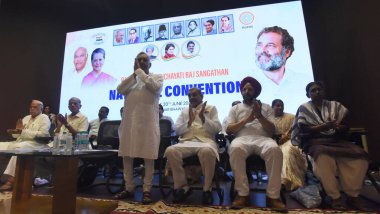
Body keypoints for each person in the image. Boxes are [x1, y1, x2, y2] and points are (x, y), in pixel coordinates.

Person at [291, 82, 371, 211]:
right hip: (316, 142)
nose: (317, 92)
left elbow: (346, 126)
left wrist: (339, 128)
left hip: (337, 141)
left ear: (324, 91)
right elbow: (304, 131)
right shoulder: (304, 108)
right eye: (313, 90)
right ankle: (335, 197)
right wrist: (323, 127)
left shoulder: (335, 106)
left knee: (360, 157)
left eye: (319, 89)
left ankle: (353, 196)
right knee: (323, 157)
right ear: (308, 94)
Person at [226, 77, 285, 209]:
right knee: (235, 148)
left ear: (256, 92)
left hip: (264, 139)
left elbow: (272, 129)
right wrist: (247, 119)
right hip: (242, 139)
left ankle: (273, 196)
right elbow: (229, 129)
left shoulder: (267, 107)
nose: (246, 91)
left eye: (250, 89)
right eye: (244, 89)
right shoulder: (235, 108)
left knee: (275, 150)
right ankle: (242, 194)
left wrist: (259, 116)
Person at [114, 52, 163, 204]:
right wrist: (134, 75)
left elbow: (155, 88)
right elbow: (120, 89)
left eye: (145, 60)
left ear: (150, 64)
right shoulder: (132, 80)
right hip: (130, 125)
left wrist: (140, 72)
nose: (142, 62)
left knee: (148, 157)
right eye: (139, 60)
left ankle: (147, 190)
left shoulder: (157, 77)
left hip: (148, 125)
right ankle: (129, 188)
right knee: (127, 156)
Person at [165, 87, 222, 205]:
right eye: (189, 95)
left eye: (194, 95)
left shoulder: (211, 108)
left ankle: (207, 189)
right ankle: (183, 187)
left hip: (206, 141)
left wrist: (203, 118)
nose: (192, 97)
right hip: (187, 142)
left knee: (207, 151)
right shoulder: (185, 111)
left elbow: (217, 129)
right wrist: (189, 122)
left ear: (201, 96)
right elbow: (177, 130)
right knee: (170, 150)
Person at [252, 26, 313, 113]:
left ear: (287, 52)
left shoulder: (305, 81)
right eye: (259, 45)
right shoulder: (246, 80)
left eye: (270, 45)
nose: (263, 50)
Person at [0, 100, 50, 191]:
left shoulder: (44, 118)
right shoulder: (26, 118)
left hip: (36, 143)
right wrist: (16, 131)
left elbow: (44, 134)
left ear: (41, 108)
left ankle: (11, 180)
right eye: (31, 107)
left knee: (19, 148)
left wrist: (23, 132)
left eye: (35, 107)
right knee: (2, 146)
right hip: (21, 141)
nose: (32, 109)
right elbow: (16, 135)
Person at [272, 99, 307, 191]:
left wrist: (287, 137)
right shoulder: (268, 119)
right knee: (277, 152)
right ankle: (282, 181)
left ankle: (293, 181)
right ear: (272, 107)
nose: (280, 107)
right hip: (274, 143)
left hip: (290, 141)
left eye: (281, 105)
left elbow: (297, 131)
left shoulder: (291, 117)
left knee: (288, 151)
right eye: (277, 105)